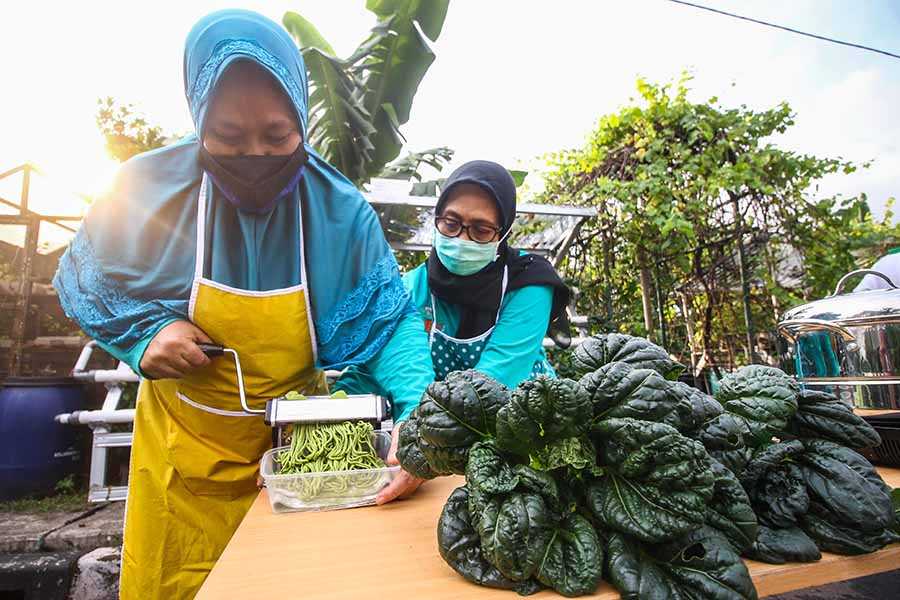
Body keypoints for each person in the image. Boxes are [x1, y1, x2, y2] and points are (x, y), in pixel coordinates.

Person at [53, 9, 433, 598]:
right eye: (228, 138)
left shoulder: (340, 212)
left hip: (301, 452)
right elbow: (88, 285)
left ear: (302, 121)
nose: (255, 154)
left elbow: (389, 324)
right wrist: (143, 337)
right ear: (197, 115)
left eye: (278, 137)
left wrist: (418, 417)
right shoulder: (145, 190)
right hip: (182, 459)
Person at [337, 160, 570, 394]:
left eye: (481, 230)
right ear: (437, 218)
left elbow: (496, 378)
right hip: (438, 419)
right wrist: (336, 406)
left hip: (522, 416)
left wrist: (422, 418)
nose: (462, 240)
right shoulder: (412, 288)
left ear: (504, 232)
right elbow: (373, 367)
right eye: (451, 224)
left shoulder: (529, 283)